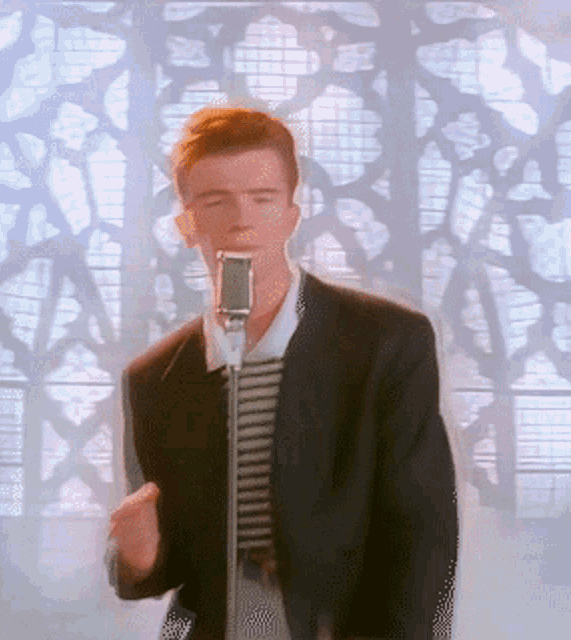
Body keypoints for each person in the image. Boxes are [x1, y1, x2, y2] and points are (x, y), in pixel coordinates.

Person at [108, 107, 459, 640]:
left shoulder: (385, 342)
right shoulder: (154, 378)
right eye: (215, 201)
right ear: (186, 225)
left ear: (292, 217)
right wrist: (137, 559)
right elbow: (164, 561)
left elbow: (423, 540)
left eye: (262, 199)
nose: (241, 220)